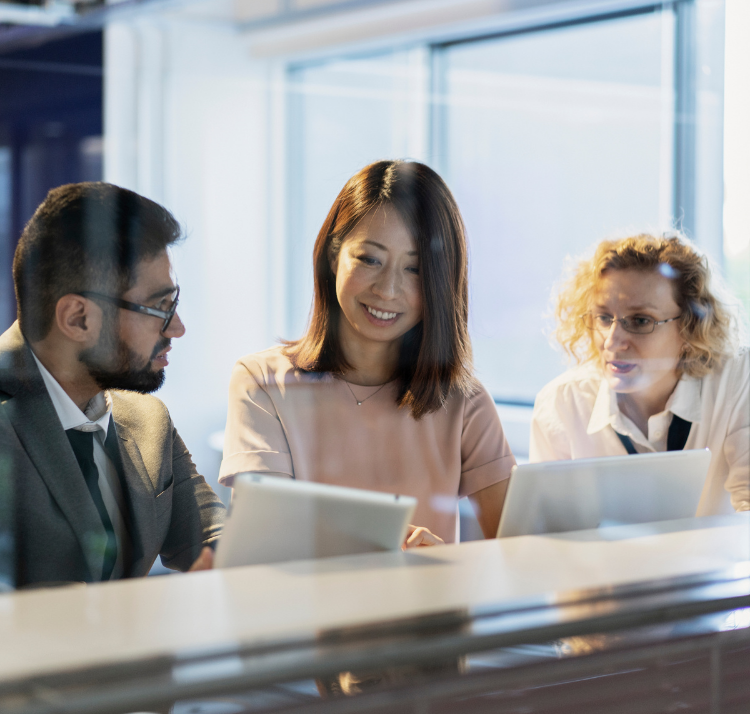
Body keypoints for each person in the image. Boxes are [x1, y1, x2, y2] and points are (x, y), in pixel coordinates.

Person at [219, 160, 515, 543]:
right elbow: (264, 540)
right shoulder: (261, 383)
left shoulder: (463, 402)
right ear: (332, 256)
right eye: (369, 259)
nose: (388, 290)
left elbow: (517, 554)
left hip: (427, 603)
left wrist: (447, 567)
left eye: (416, 269)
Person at [0, 182, 225, 589]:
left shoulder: (146, 417)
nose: (178, 327)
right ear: (78, 319)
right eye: (159, 306)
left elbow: (212, 539)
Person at [529, 233, 749, 515]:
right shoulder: (562, 403)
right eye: (604, 318)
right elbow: (547, 532)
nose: (611, 341)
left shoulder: (736, 380)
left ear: (690, 327)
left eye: (641, 320)